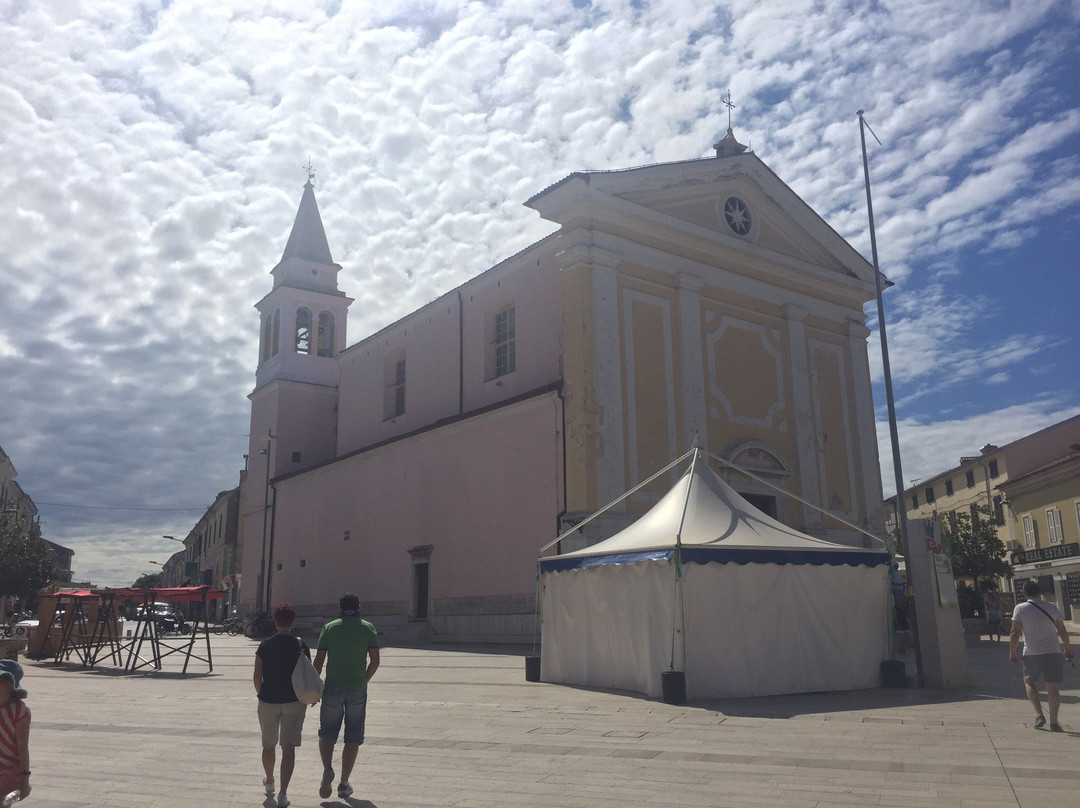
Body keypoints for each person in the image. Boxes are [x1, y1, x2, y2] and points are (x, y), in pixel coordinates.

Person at [313, 593, 380, 800]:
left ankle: (327, 769)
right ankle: (343, 783)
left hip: (332, 687)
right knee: (353, 735)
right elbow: (375, 661)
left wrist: (315, 688)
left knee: (327, 732)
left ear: (340, 607)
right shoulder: (368, 628)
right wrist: (364, 679)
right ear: (359, 607)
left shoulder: (330, 628)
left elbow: (318, 660)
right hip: (357, 688)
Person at [254, 604, 312, 808]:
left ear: (275, 621)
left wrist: (260, 693)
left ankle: (269, 781)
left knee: (268, 744)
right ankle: (283, 794)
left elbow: (257, 676)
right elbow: (308, 675)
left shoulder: (265, 646)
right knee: (288, 748)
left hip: (268, 701)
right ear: (292, 622)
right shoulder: (300, 644)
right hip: (294, 701)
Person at [1009, 580, 1074, 732]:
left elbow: (1014, 632)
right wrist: (1068, 648)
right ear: (1039, 592)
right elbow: (1062, 629)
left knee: (1030, 683)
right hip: (1053, 650)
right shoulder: (1051, 607)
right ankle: (1054, 722)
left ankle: (1039, 714)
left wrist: (1012, 651)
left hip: (1032, 652)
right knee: (1053, 687)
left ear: (1024, 593)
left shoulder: (1020, 608)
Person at [0, 659, 31, 803]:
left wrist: (25, 778)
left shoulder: (19, 711)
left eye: (2, 682)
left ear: (12, 687)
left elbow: (22, 746)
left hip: (9, 771)